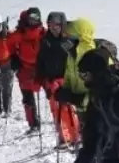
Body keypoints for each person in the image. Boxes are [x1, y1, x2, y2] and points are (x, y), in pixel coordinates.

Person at [35, 11, 83, 148]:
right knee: (56, 109)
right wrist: (40, 76)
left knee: (68, 109)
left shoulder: (70, 40)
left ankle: (76, 137)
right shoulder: (45, 41)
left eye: (56, 25)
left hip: (67, 78)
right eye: (50, 25)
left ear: (62, 24)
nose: (52, 28)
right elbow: (40, 60)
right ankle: (63, 137)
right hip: (51, 80)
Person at [7, 7, 45, 134]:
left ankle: (61, 124)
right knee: (28, 98)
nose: (33, 21)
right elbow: (9, 42)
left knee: (54, 96)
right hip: (25, 68)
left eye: (36, 18)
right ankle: (33, 124)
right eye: (30, 19)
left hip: (42, 67)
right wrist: (13, 56)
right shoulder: (20, 33)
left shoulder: (43, 32)